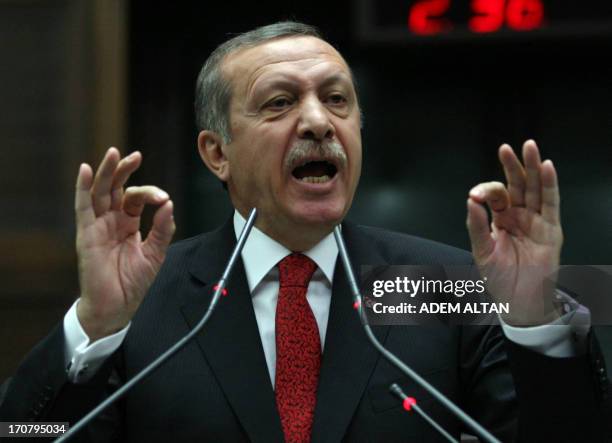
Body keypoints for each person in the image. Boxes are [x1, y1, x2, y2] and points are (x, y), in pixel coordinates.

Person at [0, 21, 609, 442]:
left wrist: (531, 320)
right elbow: (23, 433)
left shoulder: (436, 286)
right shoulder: (142, 298)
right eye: (279, 102)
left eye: (338, 100)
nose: (318, 121)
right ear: (217, 153)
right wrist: (95, 328)